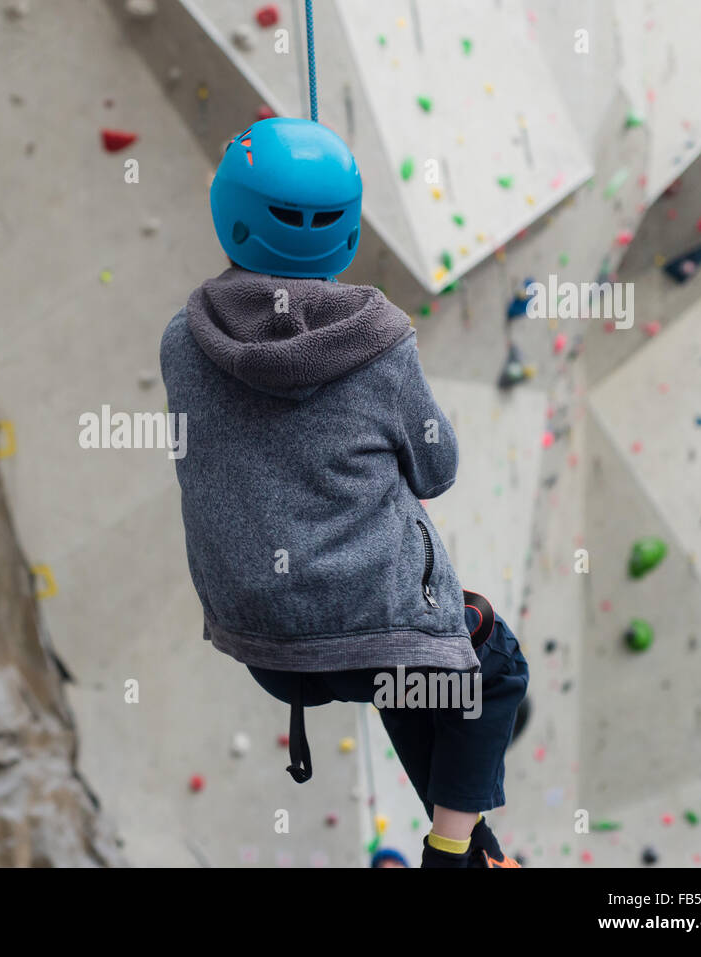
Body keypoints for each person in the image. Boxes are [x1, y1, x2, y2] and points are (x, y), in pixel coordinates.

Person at [160, 117, 529, 868]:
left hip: (264, 649)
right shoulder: (379, 342)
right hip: (366, 643)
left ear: (230, 219)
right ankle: (452, 848)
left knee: (412, 669)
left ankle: (469, 840)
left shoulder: (182, 340)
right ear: (347, 235)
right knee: (490, 669)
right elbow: (438, 469)